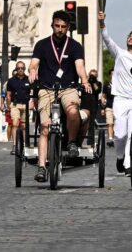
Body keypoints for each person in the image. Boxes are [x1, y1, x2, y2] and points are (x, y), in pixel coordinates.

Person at [29, 10, 90, 183]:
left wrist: (84, 81)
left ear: (68, 28)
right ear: (52, 25)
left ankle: (71, 142)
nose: (60, 30)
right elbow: (34, 63)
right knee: (45, 127)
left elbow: (80, 67)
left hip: (68, 87)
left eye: (63, 27)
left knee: (72, 111)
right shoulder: (41, 45)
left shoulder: (75, 46)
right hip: (46, 89)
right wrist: (32, 71)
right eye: (57, 26)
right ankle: (42, 167)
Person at [99, 10, 132, 175]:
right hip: (120, 99)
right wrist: (102, 23)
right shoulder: (119, 54)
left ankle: (128, 164)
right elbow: (107, 39)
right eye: (130, 36)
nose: (131, 38)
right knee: (120, 134)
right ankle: (120, 157)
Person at [5, 61, 31, 147]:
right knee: (15, 123)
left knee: (24, 126)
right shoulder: (11, 81)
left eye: (22, 68)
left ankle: (24, 144)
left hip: (26, 105)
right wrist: (8, 107)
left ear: (24, 69)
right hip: (15, 105)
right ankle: (15, 144)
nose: (20, 70)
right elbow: (8, 95)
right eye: (18, 68)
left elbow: (33, 93)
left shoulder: (29, 80)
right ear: (16, 69)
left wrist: (32, 104)